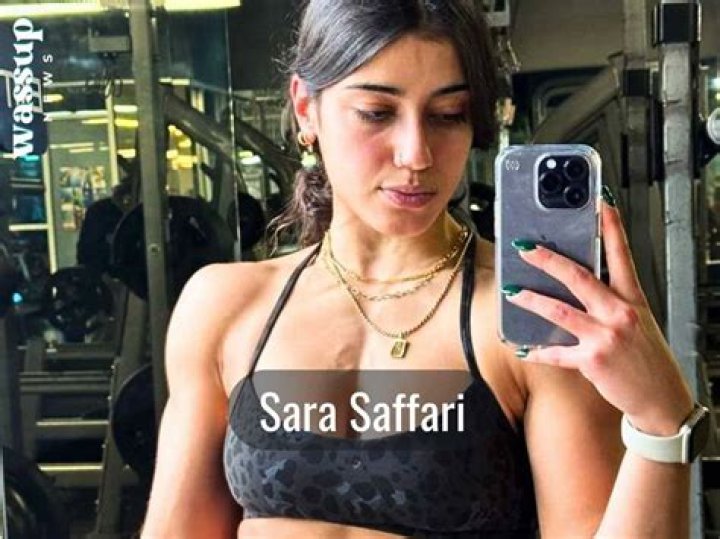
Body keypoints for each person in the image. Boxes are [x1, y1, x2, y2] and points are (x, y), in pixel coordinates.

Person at [141, 1, 699, 537]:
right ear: (306, 109)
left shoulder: (528, 315)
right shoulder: (224, 306)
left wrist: (660, 421)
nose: (416, 154)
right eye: (376, 112)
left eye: (447, 115)